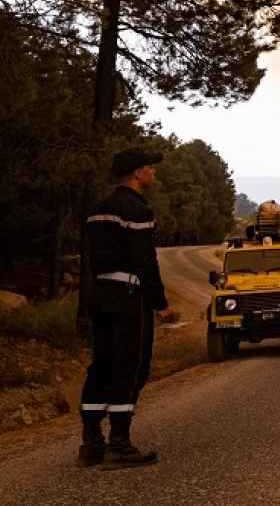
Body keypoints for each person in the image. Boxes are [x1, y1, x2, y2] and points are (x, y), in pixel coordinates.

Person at [78, 148, 175, 469]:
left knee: (101, 364)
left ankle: (91, 442)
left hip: (100, 294)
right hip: (128, 296)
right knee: (130, 364)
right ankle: (119, 444)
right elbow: (146, 261)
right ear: (136, 173)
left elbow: (89, 259)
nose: (154, 173)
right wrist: (159, 303)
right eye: (150, 167)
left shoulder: (96, 210)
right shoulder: (136, 210)